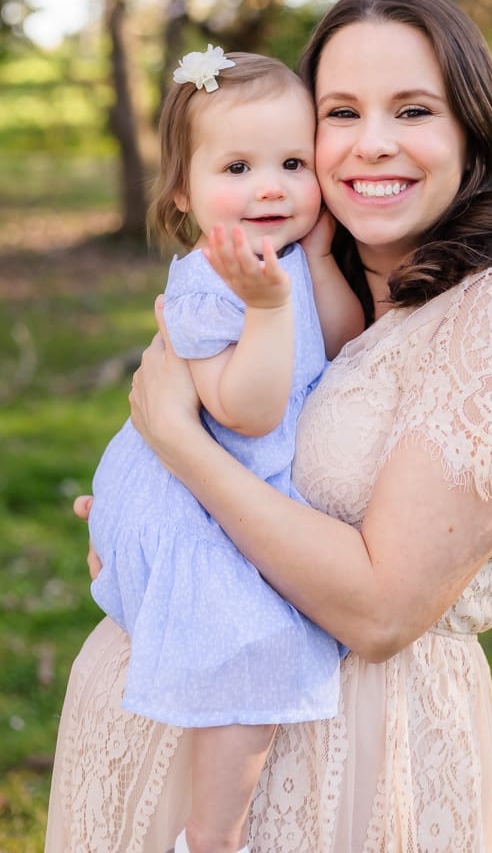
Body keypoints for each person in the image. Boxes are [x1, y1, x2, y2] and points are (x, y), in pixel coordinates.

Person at [45, 0, 492, 853]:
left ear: (472, 130)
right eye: (342, 112)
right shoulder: (294, 270)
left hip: (355, 764)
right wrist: (145, 525)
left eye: (412, 109)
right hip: (155, 719)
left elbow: (378, 611)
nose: (372, 142)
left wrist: (182, 453)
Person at [84, 48, 363, 853]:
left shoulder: (288, 261)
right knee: (252, 649)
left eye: (292, 163)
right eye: (237, 166)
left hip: (223, 489)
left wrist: (311, 261)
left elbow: (341, 339)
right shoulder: (209, 283)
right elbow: (244, 410)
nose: (269, 186)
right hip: (188, 498)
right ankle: (212, 837)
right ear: (184, 191)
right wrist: (269, 306)